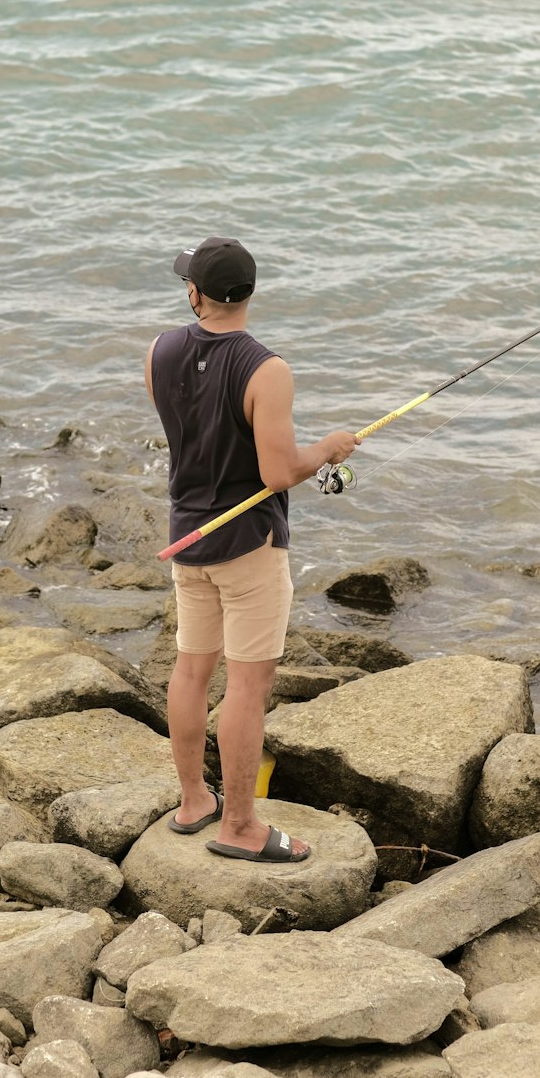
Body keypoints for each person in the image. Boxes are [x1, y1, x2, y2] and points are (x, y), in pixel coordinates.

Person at [145, 235, 359, 863]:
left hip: (188, 537)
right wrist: (326, 449)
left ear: (196, 294)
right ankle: (239, 826)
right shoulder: (268, 371)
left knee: (190, 669)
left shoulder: (158, 351)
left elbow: (185, 428)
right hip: (249, 547)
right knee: (247, 686)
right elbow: (276, 473)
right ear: (250, 293)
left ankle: (194, 801)